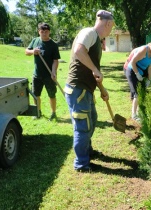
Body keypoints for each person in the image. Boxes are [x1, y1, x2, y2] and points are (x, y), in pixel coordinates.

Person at [64, 10, 114, 172]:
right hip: (78, 89)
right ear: (107, 23)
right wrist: (94, 69)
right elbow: (79, 51)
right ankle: (81, 163)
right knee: (83, 127)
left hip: (85, 90)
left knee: (92, 119)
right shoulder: (89, 32)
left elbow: (95, 72)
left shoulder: (97, 40)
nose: (111, 29)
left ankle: (87, 150)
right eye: (111, 26)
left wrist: (102, 89)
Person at [25, 22, 61, 121]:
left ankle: (53, 113)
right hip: (37, 75)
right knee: (36, 95)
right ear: (39, 32)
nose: (44, 34)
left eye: (46, 32)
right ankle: (38, 112)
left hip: (49, 75)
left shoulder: (53, 45)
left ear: (49, 32)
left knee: (52, 95)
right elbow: (26, 52)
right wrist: (33, 51)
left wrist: (53, 72)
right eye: (42, 32)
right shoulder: (35, 41)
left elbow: (55, 60)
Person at [124, 38, 151, 121]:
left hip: (140, 72)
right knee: (137, 93)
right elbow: (132, 62)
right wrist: (137, 74)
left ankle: (139, 112)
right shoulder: (144, 50)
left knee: (142, 92)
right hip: (132, 71)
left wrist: (149, 79)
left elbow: (150, 67)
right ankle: (134, 115)